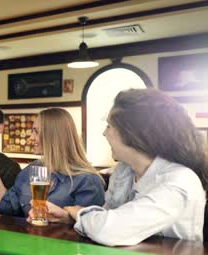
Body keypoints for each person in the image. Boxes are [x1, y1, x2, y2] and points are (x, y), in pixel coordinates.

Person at [39, 89, 207, 246]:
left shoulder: (180, 180)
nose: (104, 133)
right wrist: (70, 218)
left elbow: (108, 230)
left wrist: (79, 215)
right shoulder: (123, 171)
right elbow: (106, 217)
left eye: (109, 126)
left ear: (133, 133)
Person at [0, 108, 105, 217]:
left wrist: (65, 219)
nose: (31, 137)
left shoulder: (88, 181)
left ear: (53, 136)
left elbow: (88, 227)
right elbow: (7, 209)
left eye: (36, 132)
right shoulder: (30, 170)